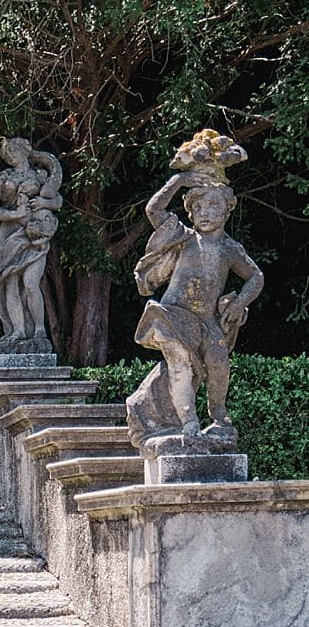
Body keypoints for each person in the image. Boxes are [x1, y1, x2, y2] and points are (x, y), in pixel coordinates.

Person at [127, 155, 263, 457]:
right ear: (190, 211)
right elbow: (154, 209)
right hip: (172, 315)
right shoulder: (184, 238)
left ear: (227, 210)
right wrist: (177, 182)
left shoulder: (229, 248)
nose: (204, 212)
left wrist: (240, 301)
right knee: (179, 363)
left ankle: (218, 415)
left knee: (219, 364)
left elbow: (256, 276)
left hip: (207, 321)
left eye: (212, 206)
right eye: (198, 207)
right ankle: (188, 422)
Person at [0, 138, 63, 344]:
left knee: (30, 282)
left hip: (36, 233)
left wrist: (44, 202)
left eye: (13, 149)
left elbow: (58, 201)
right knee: (10, 282)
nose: (10, 154)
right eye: (7, 152)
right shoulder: (3, 177)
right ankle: (17, 330)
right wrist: (14, 214)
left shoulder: (39, 175)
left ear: (25, 149)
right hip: (10, 232)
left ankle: (38, 330)